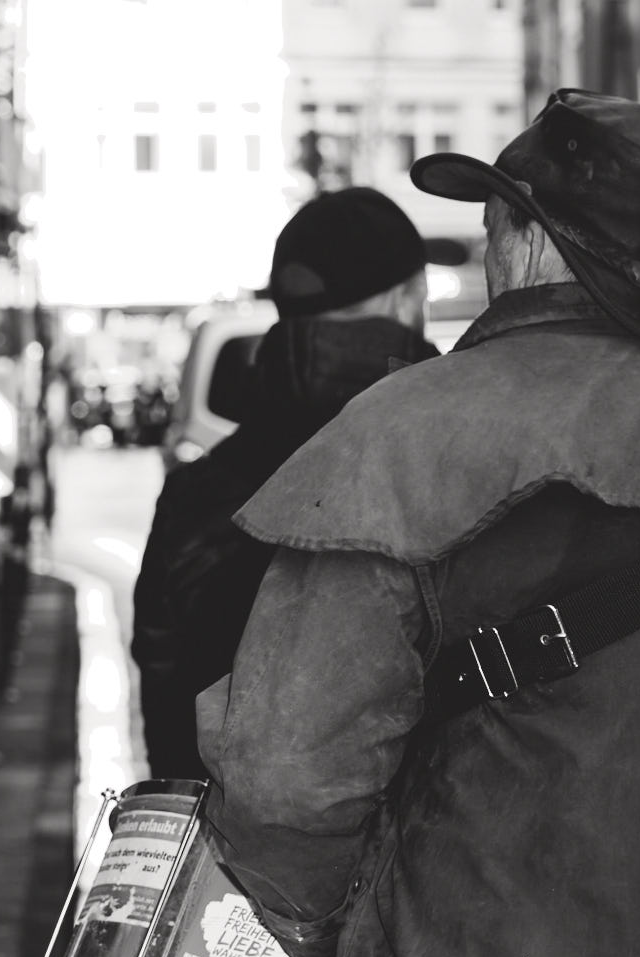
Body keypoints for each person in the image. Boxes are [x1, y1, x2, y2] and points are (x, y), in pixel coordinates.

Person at [196, 89, 640, 957]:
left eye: (495, 219)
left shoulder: (402, 438)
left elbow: (285, 777)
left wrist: (316, 928)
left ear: (526, 243)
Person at [132, 186, 452, 778]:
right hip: (419, 853)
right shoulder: (459, 456)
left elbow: (163, 692)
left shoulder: (197, 490)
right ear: (409, 300)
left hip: (232, 849)